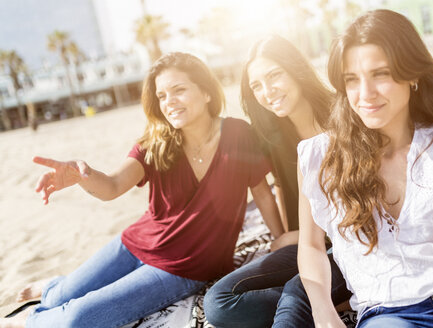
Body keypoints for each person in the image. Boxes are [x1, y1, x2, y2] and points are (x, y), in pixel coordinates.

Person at [0, 52, 284, 328]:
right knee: (62, 296)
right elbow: (112, 186)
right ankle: (53, 288)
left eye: (178, 90)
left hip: (184, 267)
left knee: (78, 318)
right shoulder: (156, 142)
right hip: (135, 243)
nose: (169, 102)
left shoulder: (239, 134)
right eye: (161, 95)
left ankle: (26, 320)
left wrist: (282, 240)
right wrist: (81, 177)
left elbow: (262, 192)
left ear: (207, 92)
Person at [297, 9, 433, 328]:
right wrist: (323, 312)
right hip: (388, 311)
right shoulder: (319, 157)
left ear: (412, 74)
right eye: (352, 80)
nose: (365, 94)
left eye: (381, 74)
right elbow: (310, 245)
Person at [204, 35, 352, 328]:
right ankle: (325, 297)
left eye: (274, 76)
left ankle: (310, 298)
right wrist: (291, 235)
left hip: (351, 244)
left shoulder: (344, 117)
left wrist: (302, 239)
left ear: (295, 70)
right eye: (256, 85)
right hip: (311, 245)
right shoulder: (274, 135)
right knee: (219, 302)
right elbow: (285, 188)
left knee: (297, 291)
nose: (267, 92)